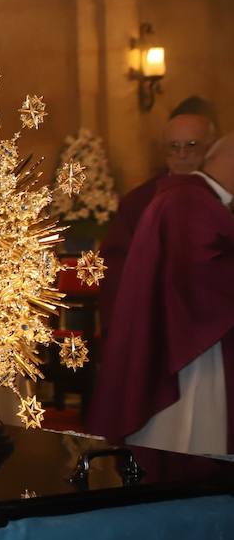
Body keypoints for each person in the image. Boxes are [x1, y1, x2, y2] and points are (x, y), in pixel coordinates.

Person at [87, 134, 234, 456]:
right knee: (191, 439)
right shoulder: (191, 201)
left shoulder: (190, 197)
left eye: (191, 144)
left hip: (184, 335)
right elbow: (199, 272)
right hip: (191, 347)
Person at [98, 96, 218, 326]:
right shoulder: (139, 202)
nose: (182, 154)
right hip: (158, 317)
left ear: (210, 149)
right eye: (174, 147)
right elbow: (114, 265)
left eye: (191, 146)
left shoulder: (222, 197)